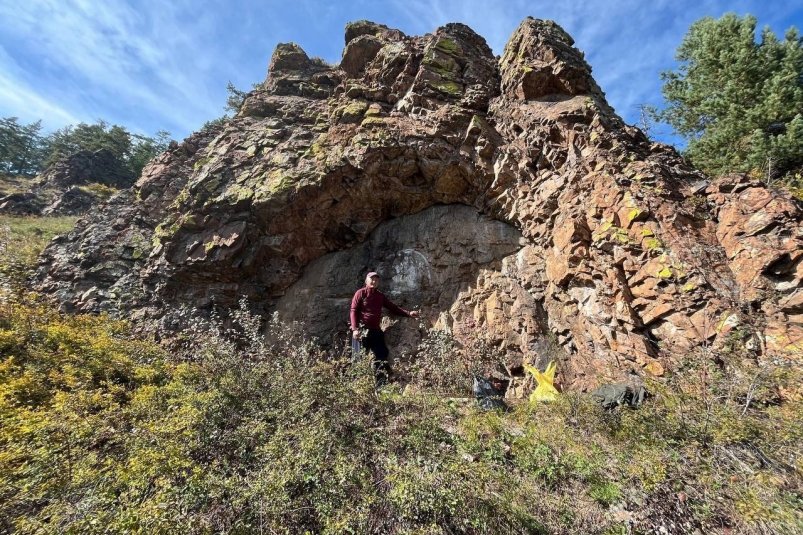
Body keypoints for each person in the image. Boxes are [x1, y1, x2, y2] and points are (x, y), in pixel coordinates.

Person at [350, 271, 419, 385]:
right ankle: (356, 386)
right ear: (366, 281)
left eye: (376, 280)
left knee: (381, 354)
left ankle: (381, 385)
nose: (374, 281)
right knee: (358, 358)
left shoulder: (380, 296)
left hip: (375, 330)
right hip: (362, 331)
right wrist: (355, 329)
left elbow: (393, 307)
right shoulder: (360, 293)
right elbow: (353, 311)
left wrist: (408, 313)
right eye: (372, 279)